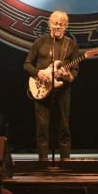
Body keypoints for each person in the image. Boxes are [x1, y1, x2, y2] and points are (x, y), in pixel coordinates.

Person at [23, 10, 80, 161]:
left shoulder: (72, 45)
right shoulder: (40, 42)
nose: (57, 27)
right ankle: (43, 159)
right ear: (49, 24)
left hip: (62, 91)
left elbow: (75, 70)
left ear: (66, 26)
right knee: (42, 127)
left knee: (64, 126)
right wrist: (38, 73)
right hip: (41, 88)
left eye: (61, 24)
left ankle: (65, 159)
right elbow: (27, 64)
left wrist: (69, 76)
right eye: (55, 23)